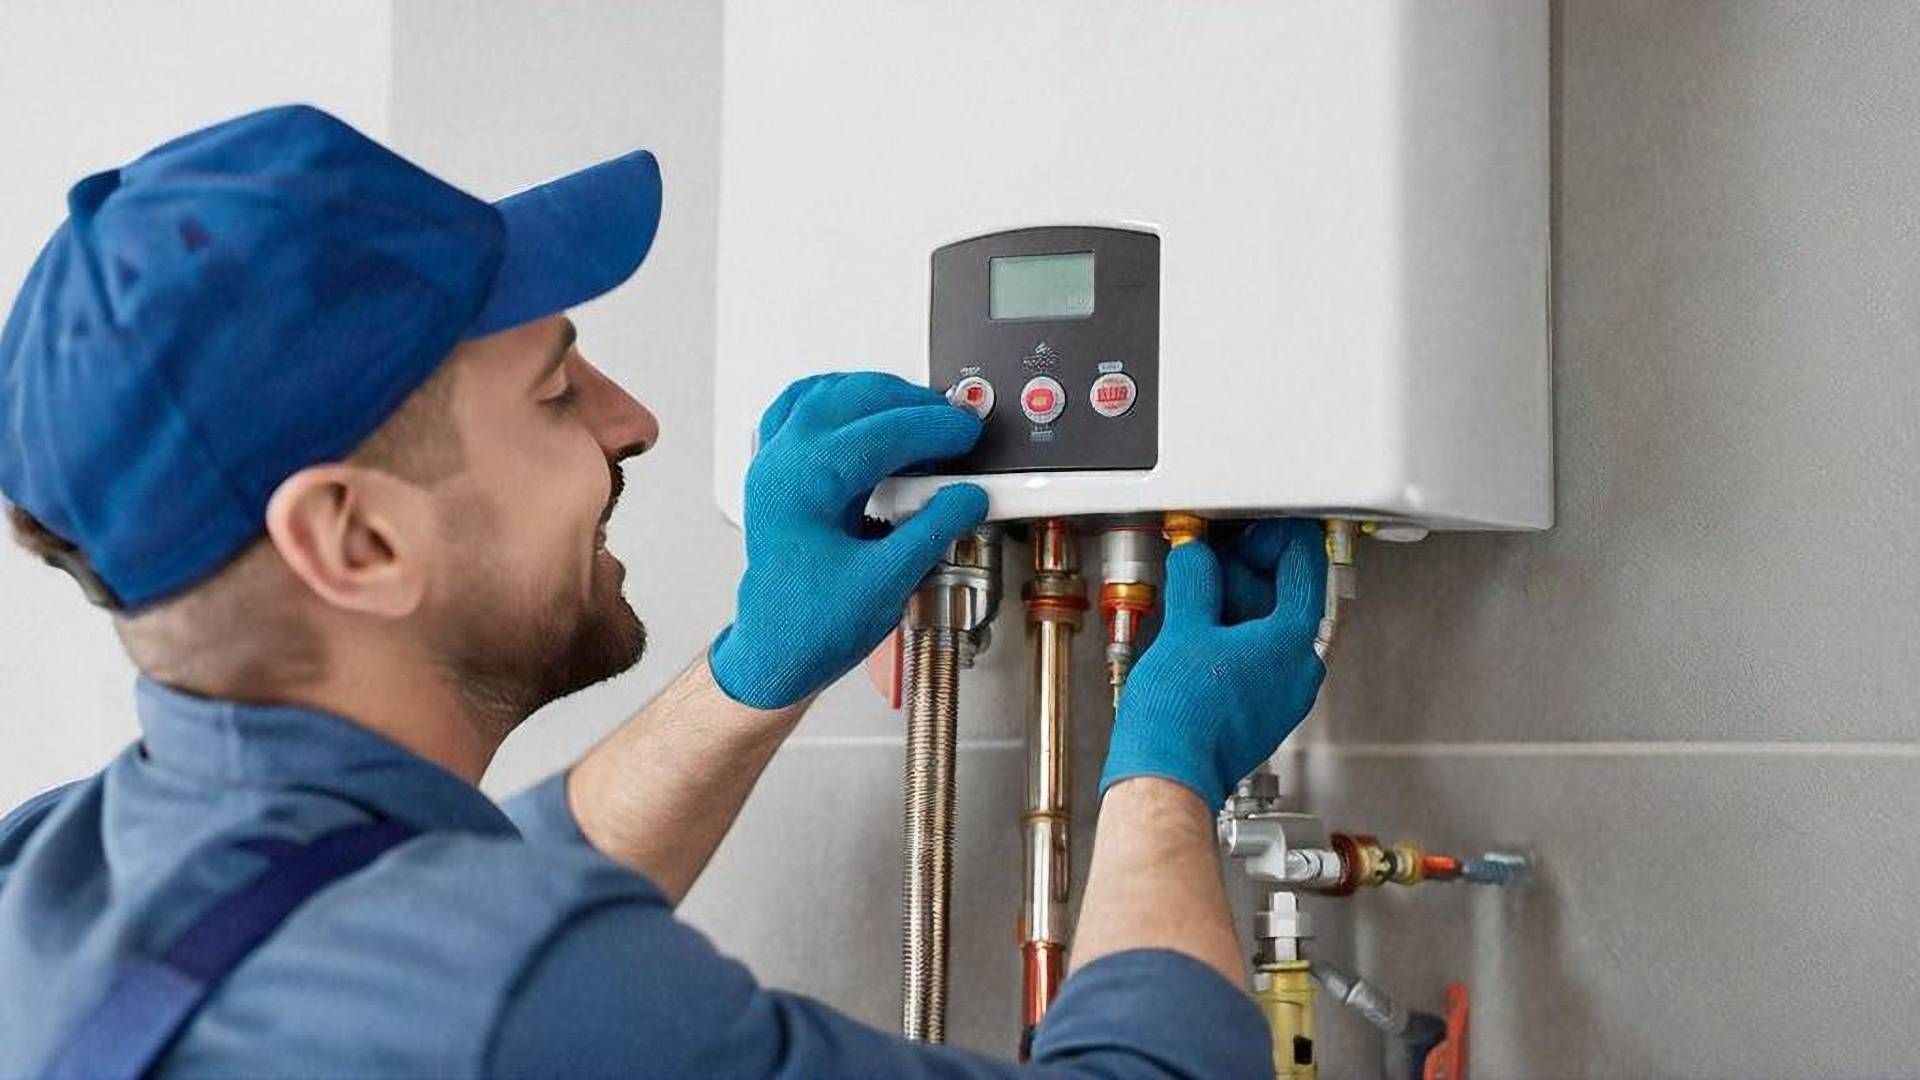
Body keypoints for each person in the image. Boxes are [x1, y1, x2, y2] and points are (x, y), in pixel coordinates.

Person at [0, 105, 1328, 1077]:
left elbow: (403, 899)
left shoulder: (42, 884)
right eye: (555, 386)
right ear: (354, 540)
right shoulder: (523, 1002)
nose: (631, 422)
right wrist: (1164, 776)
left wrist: (760, 666)